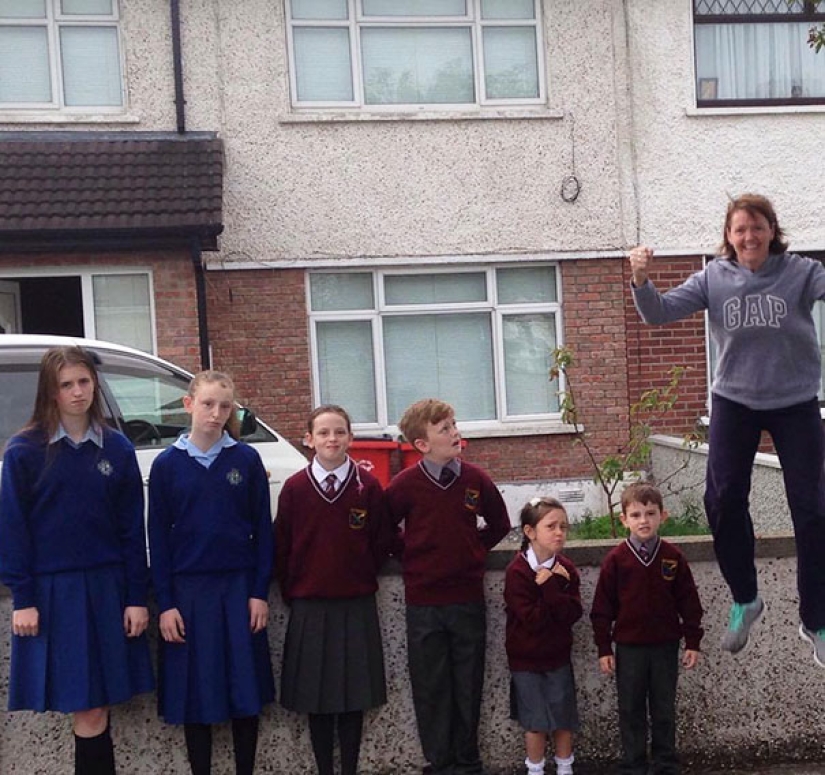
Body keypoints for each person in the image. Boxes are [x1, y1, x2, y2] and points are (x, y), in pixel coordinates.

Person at [628, 193, 825, 666]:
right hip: (735, 401)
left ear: (771, 232)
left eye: (757, 228)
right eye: (740, 230)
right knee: (721, 499)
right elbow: (659, 312)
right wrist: (640, 278)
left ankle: (815, 619)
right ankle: (746, 598)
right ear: (729, 237)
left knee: (814, 508)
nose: (749, 237)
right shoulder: (714, 277)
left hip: (795, 401)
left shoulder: (799, 272)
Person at [0, 345, 153, 775]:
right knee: (84, 709)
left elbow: (130, 531)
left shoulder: (118, 449)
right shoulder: (23, 451)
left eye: (84, 381)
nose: (77, 392)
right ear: (50, 391)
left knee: (98, 709)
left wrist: (135, 597)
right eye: (66, 384)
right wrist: (23, 597)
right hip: (54, 596)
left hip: (108, 589)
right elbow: (13, 530)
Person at [148, 370, 274, 775]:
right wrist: (165, 604)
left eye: (225, 406)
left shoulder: (246, 459)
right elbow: (158, 540)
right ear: (189, 405)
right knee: (195, 694)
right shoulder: (167, 465)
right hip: (188, 593)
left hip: (237, 589)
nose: (216, 413)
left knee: (244, 689)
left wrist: (259, 592)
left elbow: (263, 531)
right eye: (207, 404)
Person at [386, 398, 511, 775]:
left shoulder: (475, 479)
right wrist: (412, 557)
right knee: (431, 685)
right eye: (445, 429)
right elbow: (383, 530)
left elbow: (500, 524)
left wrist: (473, 551)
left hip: (466, 599)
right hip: (423, 603)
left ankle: (468, 760)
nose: (455, 433)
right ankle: (439, 762)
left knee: (468, 682)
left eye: (454, 425)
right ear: (421, 444)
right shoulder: (404, 485)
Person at [275, 404, 390, 775]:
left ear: (351, 438)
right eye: (323, 432)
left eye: (339, 432)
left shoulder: (368, 487)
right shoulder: (294, 489)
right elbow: (282, 546)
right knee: (316, 696)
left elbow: (380, 542)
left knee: (354, 696)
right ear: (309, 440)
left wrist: (356, 578)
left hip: (355, 603)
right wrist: (296, 592)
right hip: (309, 605)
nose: (332, 439)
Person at [590, 483, 703, 775]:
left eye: (650, 513)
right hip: (629, 649)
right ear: (624, 519)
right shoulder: (616, 560)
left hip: (665, 646)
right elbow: (602, 609)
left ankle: (665, 764)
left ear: (662, 516)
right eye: (636, 514)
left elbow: (689, 602)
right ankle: (633, 764)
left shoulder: (673, 557)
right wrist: (604, 647)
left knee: (663, 709)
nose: (644, 520)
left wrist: (692, 641)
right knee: (631, 709)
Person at [504, 497, 582, 775]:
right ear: (530, 531)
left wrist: (551, 586)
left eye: (563, 526)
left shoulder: (566, 570)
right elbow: (532, 619)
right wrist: (552, 588)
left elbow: (571, 613)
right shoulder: (517, 572)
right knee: (535, 720)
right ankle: (535, 769)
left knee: (562, 716)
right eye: (551, 526)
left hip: (558, 656)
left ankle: (564, 767)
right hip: (526, 660)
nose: (559, 532)